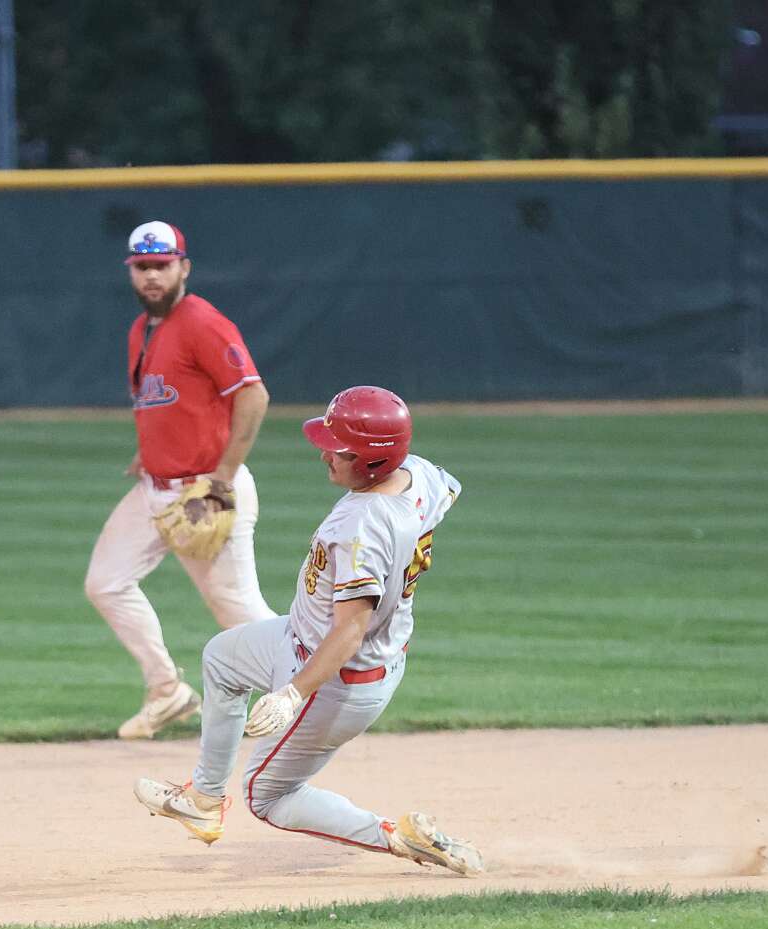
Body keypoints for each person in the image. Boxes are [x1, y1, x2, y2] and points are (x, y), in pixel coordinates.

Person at [133, 386, 484, 875]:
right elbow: (448, 490)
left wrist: (292, 694)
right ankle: (203, 800)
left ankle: (397, 836)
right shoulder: (418, 474)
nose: (325, 454)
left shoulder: (363, 528)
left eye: (339, 449)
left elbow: (351, 630)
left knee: (267, 797)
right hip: (301, 640)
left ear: (372, 461)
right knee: (222, 659)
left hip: (335, 678)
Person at [88, 220, 276, 740]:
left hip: (205, 491)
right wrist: (150, 449)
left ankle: (310, 692)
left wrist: (223, 477)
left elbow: (253, 395)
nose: (152, 276)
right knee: (106, 583)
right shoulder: (142, 330)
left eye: (162, 265)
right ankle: (166, 690)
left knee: (237, 610)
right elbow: (170, 402)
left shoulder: (202, 323)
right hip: (156, 488)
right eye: (143, 267)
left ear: (183, 268)